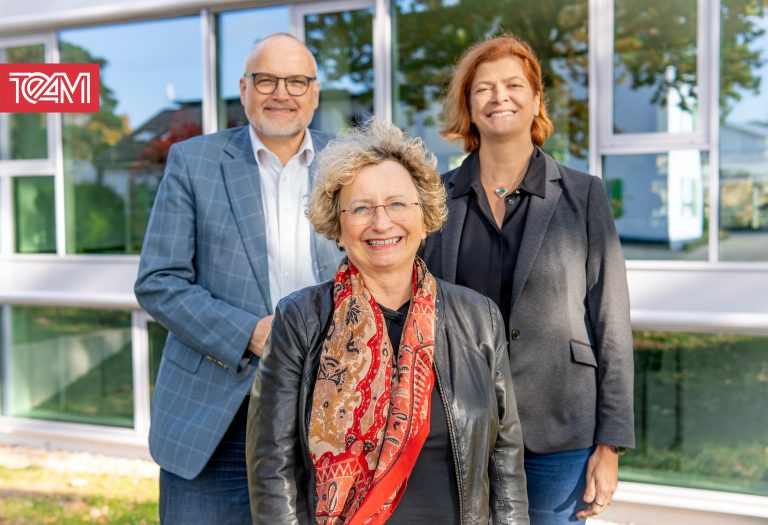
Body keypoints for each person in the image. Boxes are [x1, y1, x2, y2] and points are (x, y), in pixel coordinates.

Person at [245, 119, 530, 525]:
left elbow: (505, 458)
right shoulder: (300, 319)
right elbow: (272, 465)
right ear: (337, 226)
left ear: (425, 215)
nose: (381, 223)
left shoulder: (478, 317)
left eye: (397, 204)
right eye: (360, 208)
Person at [422, 34, 635, 524]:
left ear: (536, 99)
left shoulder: (584, 195)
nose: (500, 97)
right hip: (456, 426)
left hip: (559, 433)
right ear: (468, 107)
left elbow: (612, 321)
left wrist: (611, 446)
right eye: (484, 89)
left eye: (513, 85)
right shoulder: (434, 198)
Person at [134, 33, 341, 524]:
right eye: (266, 80)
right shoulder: (194, 162)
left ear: (314, 94)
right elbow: (159, 280)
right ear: (244, 89)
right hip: (216, 416)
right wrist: (250, 333)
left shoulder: (351, 164)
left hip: (329, 408)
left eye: (296, 81)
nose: (281, 93)